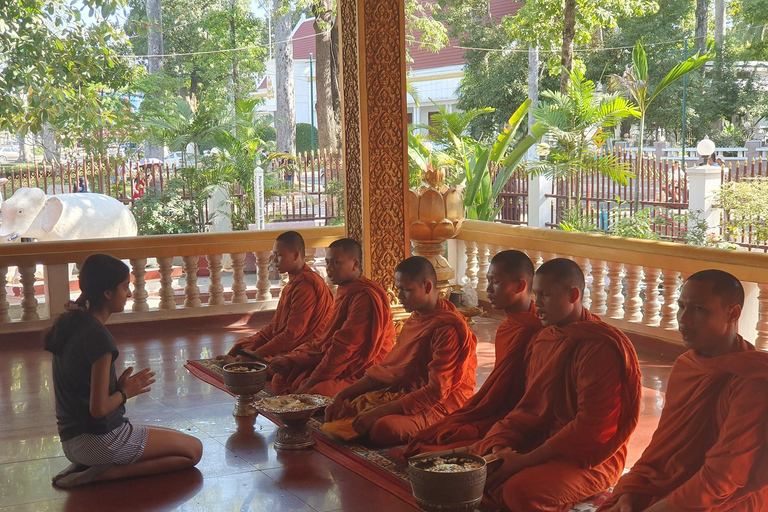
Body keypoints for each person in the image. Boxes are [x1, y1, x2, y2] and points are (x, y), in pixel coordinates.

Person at [474, 258, 642, 512]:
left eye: (546, 296)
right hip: (543, 441)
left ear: (573, 295)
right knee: (479, 470)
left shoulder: (599, 346)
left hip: (589, 458)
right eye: (535, 295)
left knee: (518, 492)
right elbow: (528, 410)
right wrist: (502, 448)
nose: (537, 304)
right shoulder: (544, 339)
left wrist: (525, 461)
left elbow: (592, 427)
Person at [599, 270, 768, 512]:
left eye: (699, 309)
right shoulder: (686, 365)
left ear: (733, 314)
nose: (683, 318)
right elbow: (664, 448)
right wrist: (632, 492)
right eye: (681, 306)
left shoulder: (752, 379)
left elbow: (723, 479)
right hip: (676, 487)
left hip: (724, 500)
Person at [46, 254, 202, 488]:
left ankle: (87, 466)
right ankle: (103, 473)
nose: (129, 294)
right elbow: (98, 409)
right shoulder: (98, 337)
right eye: (124, 287)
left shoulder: (73, 322)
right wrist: (126, 392)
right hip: (97, 443)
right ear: (107, 293)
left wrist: (117, 388)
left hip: (72, 442)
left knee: (171, 436)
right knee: (193, 450)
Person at [322, 256, 478, 446]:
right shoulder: (416, 317)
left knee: (383, 428)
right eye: (398, 289)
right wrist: (343, 395)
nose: (400, 296)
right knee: (344, 409)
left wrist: (380, 411)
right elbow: (388, 370)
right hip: (408, 393)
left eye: (406, 290)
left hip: (441, 405)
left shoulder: (447, 328)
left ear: (427, 287)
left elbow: (436, 392)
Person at [405, 250, 541, 456]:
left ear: (521, 286)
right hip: (499, 412)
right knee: (432, 439)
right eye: (488, 281)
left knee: (435, 444)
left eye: (496, 282)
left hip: (522, 417)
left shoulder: (538, 331)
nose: (488, 290)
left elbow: (533, 397)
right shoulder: (508, 327)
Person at [268, 238, 395, 396]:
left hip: (362, 371)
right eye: (327, 263)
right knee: (283, 377)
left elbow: (344, 349)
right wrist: (293, 360)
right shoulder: (346, 291)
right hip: (336, 364)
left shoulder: (365, 298)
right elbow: (325, 342)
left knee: (315, 392)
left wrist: (309, 384)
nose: (329, 269)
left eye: (335, 263)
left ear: (355, 264)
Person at [217, 231, 333, 362]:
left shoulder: (305, 286)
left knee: (278, 364)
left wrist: (256, 354)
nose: (274, 260)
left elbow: (292, 336)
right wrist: (256, 346)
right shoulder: (294, 283)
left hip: (308, 346)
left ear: (295, 255)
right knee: (245, 345)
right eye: (274, 255)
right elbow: (276, 326)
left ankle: (249, 362)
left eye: (280, 255)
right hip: (291, 341)